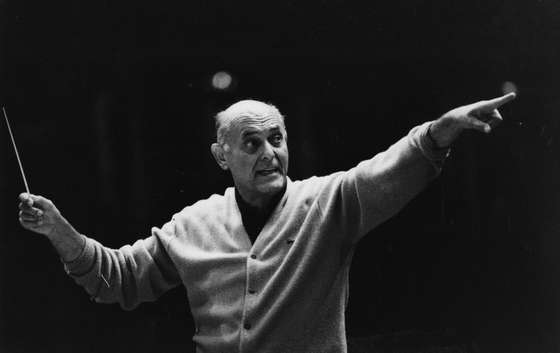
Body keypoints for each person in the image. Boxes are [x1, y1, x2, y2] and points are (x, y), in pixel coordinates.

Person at [17, 93, 516, 353]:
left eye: (276, 139)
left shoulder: (327, 202)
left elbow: (385, 172)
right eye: (252, 143)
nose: (269, 153)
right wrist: (60, 231)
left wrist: (436, 134)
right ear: (221, 155)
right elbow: (119, 280)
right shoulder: (193, 224)